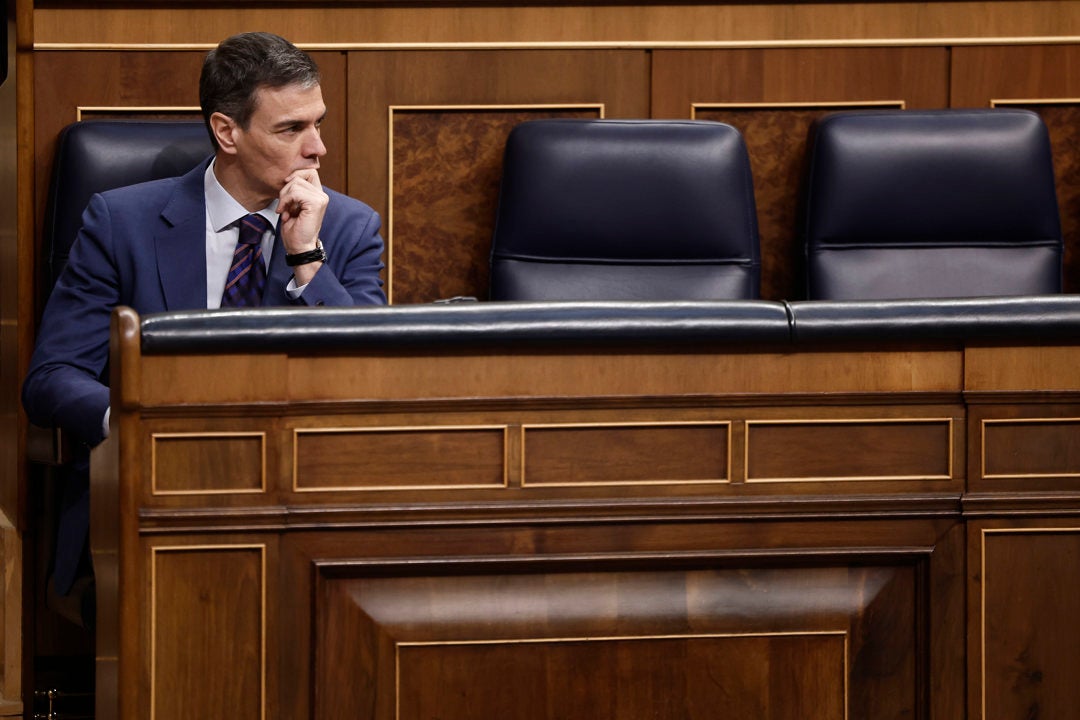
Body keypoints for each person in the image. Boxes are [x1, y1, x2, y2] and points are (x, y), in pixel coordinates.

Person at [22, 32, 387, 624]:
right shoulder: (122, 222)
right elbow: (52, 376)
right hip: (154, 490)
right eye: (292, 129)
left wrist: (307, 261)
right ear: (227, 132)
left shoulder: (347, 228)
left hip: (295, 494)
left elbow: (372, 378)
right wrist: (139, 423)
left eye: (318, 123)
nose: (318, 148)